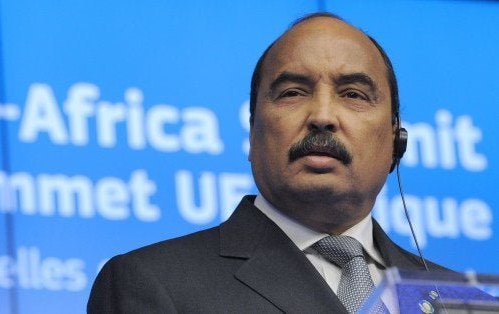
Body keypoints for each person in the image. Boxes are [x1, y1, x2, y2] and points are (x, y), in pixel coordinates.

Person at [88, 13, 446, 313]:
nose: (322, 116)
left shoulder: (461, 300)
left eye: (353, 94)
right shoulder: (152, 282)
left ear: (395, 141)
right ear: (252, 133)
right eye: (292, 93)